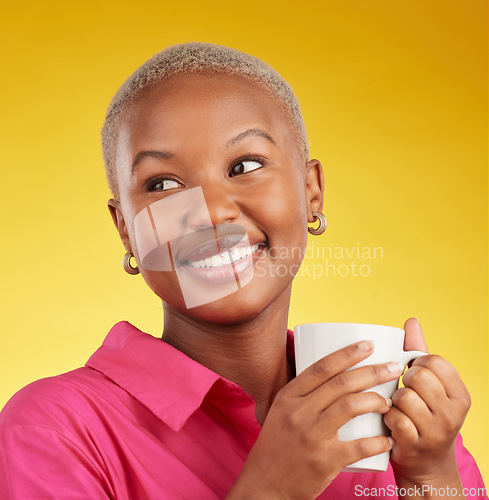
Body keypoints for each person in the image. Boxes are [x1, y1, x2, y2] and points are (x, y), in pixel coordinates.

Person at [0, 42, 486, 500]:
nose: (211, 212)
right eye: (163, 183)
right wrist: (270, 489)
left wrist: (429, 472)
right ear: (126, 229)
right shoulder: (54, 430)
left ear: (311, 192)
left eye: (245, 165)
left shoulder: (393, 413)